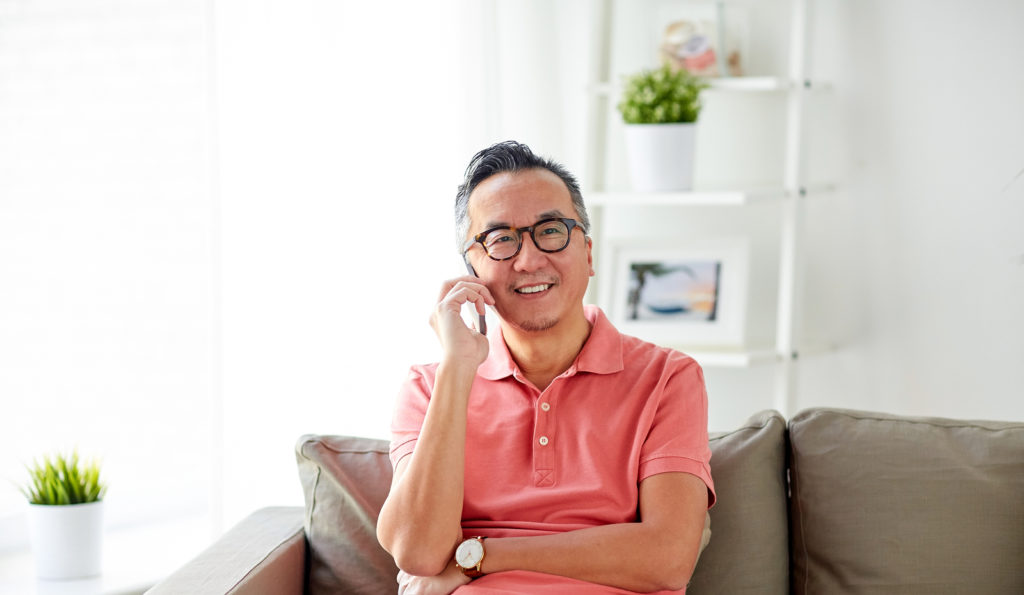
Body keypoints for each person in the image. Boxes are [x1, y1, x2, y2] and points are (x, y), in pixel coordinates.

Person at [377, 141, 715, 594]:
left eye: (551, 230)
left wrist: (475, 556)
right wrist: (457, 370)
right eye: (501, 240)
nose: (529, 259)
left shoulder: (668, 377)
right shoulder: (427, 387)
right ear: (471, 269)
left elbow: (668, 557)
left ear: (589, 254)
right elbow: (417, 551)